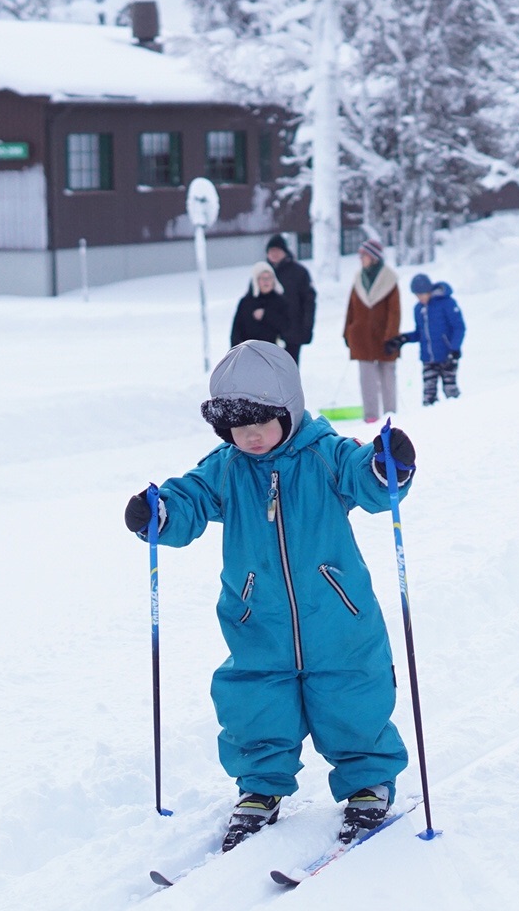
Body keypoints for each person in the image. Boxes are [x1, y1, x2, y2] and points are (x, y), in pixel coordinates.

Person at [122, 340, 417, 850]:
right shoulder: (226, 467)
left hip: (338, 616)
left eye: (261, 422)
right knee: (255, 702)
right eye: (238, 427)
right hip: (256, 618)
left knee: (352, 696)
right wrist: (161, 512)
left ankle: (368, 782)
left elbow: (365, 481)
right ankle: (260, 787)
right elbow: (189, 499)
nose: (251, 437)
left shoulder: (326, 454)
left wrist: (386, 465)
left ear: (290, 410)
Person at [344, 237, 402, 423]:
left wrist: (390, 336)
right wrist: (347, 332)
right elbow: (351, 309)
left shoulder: (389, 280)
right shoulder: (358, 280)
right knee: (366, 379)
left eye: (364, 255)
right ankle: (370, 417)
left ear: (374, 257)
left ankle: (390, 414)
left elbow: (395, 312)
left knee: (387, 378)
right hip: (361, 337)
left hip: (385, 337)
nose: (361, 258)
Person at [386, 274, 466, 406]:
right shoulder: (418, 309)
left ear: (430, 290)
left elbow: (459, 327)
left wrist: (454, 348)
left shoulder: (447, 303)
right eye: (417, 295)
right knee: (429, 395)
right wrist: (404, 338)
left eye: (423, 294)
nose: (421, 298)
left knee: (450, 391)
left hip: (448, 355)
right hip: (428, 359)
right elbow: (420, 333)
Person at [265, 235, 317, 363]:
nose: (274, 254)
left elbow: (309, 303)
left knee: (289, 370)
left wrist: (306, 329)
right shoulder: (263, 273)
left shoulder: (299, 272)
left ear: (285, 251)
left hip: (292, 332)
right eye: (271, 251)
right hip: (267, 334)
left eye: (277, 251)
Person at [230, 262, 290, 348]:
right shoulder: (246, 302)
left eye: (269, 278)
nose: (266, 281)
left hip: (274, 352)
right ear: (255, 281)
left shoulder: (281, 301)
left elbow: (287, 328)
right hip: (249, 353)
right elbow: (236, 332)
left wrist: (266, 315)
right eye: (263, 278)